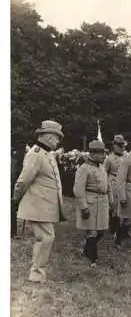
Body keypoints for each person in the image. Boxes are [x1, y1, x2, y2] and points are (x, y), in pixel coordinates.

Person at [12, 120, 65, 283]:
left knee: (46, 238)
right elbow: (23, 180)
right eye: (57, 138)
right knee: (46, 238)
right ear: (49, 137)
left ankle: (38, 272)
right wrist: (16, 198)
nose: (58, 141)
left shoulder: (46, 153)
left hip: (45, 206)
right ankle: (36, 273)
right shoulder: (35, 153)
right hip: (38, 205)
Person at [74, 140, 113, 267]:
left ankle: (86, 249)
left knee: (101, 231)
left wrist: (111, 200)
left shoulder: (101, 167)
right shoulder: (84, 168)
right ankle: (93, 259)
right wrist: (84, 207)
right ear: (93, 154)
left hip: (102, 203)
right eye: (101, 153)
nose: (104, 156)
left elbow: (108, 186)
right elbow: (78, 190)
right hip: (90, 203)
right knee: (92, 232)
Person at [104, 134, 127, 239]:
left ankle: (125, 229)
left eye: (121, 145)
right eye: (118, 145)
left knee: (125, 206)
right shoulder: (109, 158)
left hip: (124, 183)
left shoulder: (126, 157)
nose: (120, 147)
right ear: (114, 146)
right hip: (113, 182)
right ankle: (113, 229)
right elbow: (104, 172)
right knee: (114, 207)